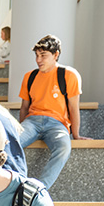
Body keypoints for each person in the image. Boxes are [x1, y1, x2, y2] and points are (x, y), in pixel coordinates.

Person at [17, 34, 86, 189]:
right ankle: (17, 182)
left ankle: (38, 190)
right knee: (11, 143)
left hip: (57, 124)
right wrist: (21, 130)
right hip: (32, 122)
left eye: (43, 55)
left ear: (56, 55)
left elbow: (74, 108)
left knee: (63, 147)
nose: (38, 60)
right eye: (36, 55)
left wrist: (75, 135)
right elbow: (24, 108)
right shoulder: (30, 76)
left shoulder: (69, 75)